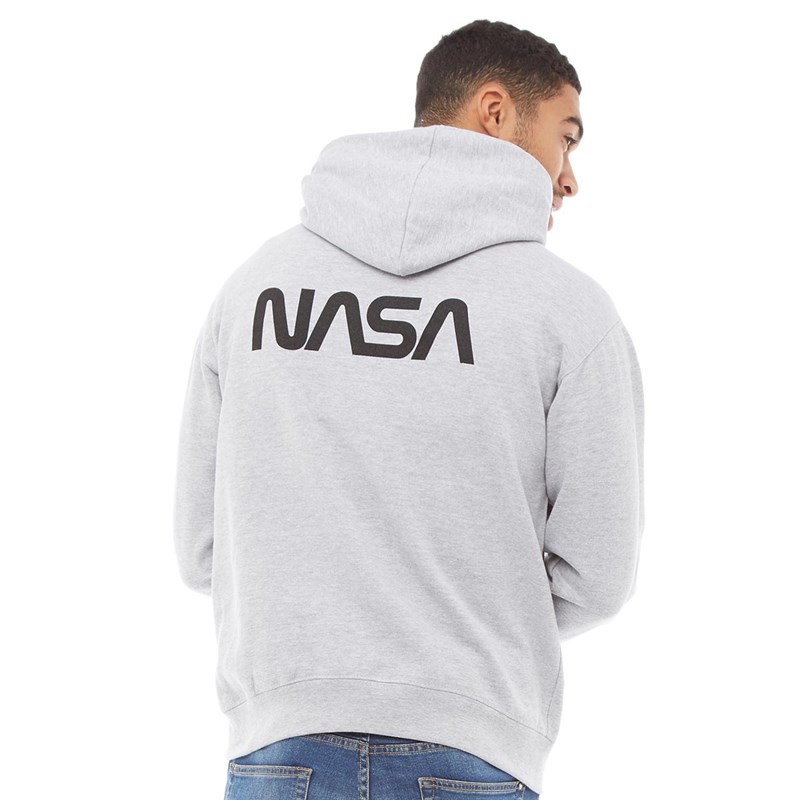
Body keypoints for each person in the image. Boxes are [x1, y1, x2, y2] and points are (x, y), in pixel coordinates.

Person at [173, 18, 645, 800]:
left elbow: (201, 549)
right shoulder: (567, 311)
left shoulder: (256, 287)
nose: (568, 179)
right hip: (472, 750)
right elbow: (598, 574)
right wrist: (463, 622)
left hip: (278, 747)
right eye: (566, 138)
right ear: (495, 110)